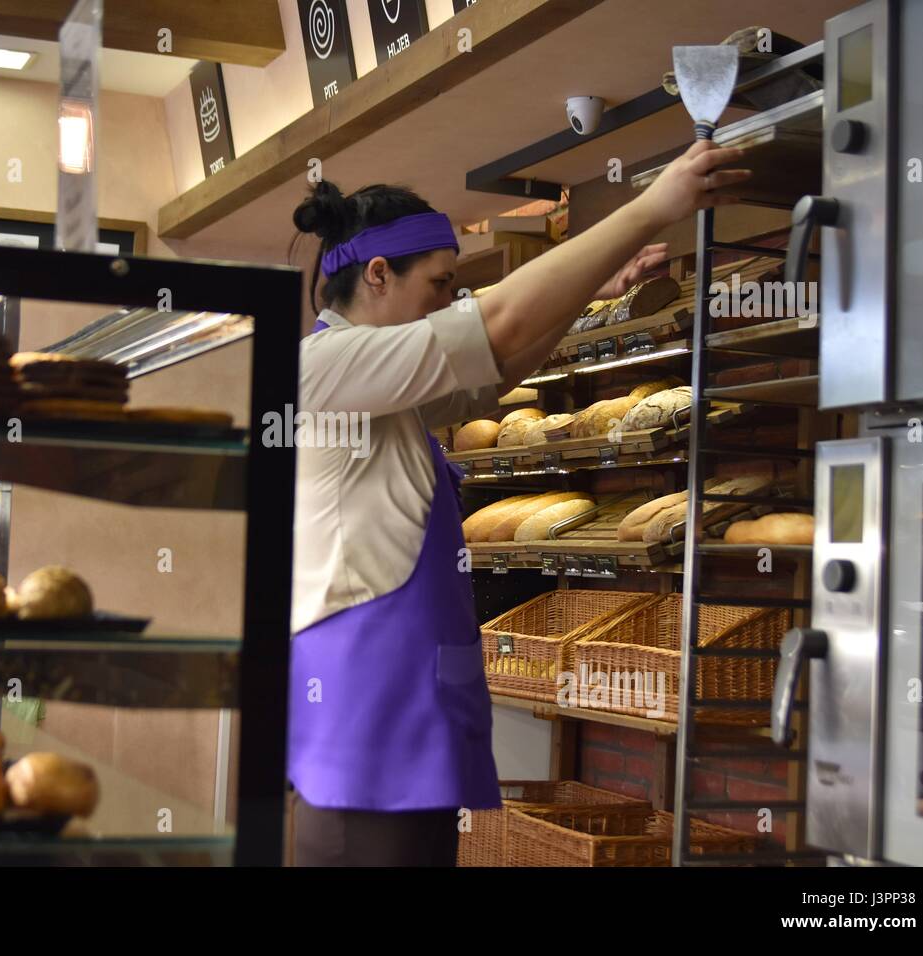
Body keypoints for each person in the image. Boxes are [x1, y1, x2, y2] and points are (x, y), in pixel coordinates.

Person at [286, 140, 751, 867]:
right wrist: (650, 208)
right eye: (440, 286)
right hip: (368, 737)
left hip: (398, 726)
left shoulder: (383, 388)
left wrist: (596, 290)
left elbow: (499, 363)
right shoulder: (329, 367)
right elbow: (496, 325)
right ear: (378, 275)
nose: (449, 303)